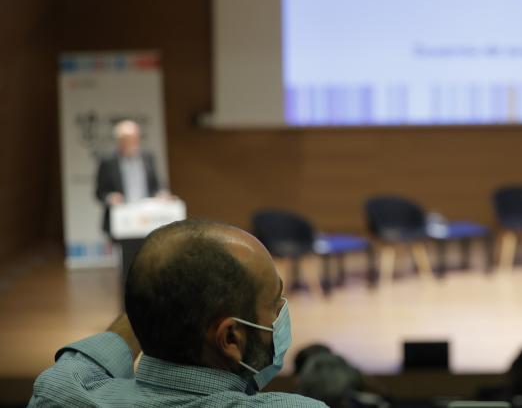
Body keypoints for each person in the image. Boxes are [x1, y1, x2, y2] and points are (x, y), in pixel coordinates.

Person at [28, 220, 326, 407]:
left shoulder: (59, 395)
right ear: (230, 338)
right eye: (276, 302)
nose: (282, 311)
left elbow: (81, 366)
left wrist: (166, 290)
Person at [95, 119, 167, 234]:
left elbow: (156, 185)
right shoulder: (108, 161)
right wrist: (110, 197)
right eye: (126, 140)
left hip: (148, 218)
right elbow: (99, 192)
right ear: (119, 141)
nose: (131, 143)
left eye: (134, 138)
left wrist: (161, 194)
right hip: (122, 220)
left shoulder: (148, 158)